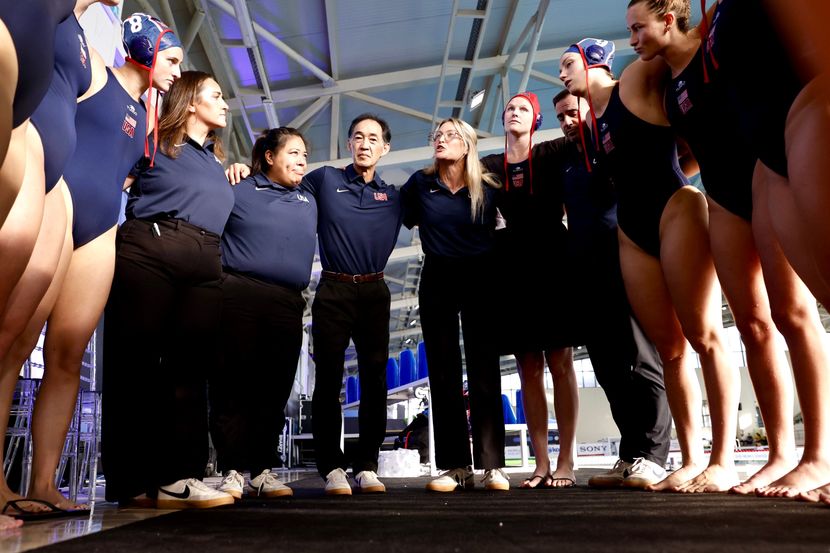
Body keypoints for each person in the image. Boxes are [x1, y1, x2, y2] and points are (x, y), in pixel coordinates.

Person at [624, 0, 817, 495]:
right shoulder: (667, 85)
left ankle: (818, 453)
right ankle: (778, 455)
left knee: (793, 313)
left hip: (765, 174)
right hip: (725, 198)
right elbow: (688, 152)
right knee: (753, 325)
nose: (632, 40)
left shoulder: (717, 35)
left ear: (669, 19)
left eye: (639, 28)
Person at [0, 13, 185, 517]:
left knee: (67, 360)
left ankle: (43, 483)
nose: (174, 71)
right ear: (144, 49)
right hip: (57, 197)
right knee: (13, 343)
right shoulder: (94, 70)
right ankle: (0, 483)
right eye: (170, 59)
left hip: (99, 224)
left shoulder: (150, 119)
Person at [559, 38, 740, 492]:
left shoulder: (633, 80)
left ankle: (724, 460)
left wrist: (685, 175)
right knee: (671, 350)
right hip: (633, 226)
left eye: (567, 65)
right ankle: (691, 459)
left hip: (673, 207)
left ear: (593, 62)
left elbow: (682, 55)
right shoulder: (593, 124)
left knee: (705, 336)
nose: (561, 76)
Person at [701, 0, 830, 499]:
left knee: (800, 312)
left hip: (807, 111)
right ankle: (814, 455)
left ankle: (818, 453)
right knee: (797, 303)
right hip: (768, 155)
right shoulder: (718, 15)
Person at [0, 0, 121, 522]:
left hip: (52, 181)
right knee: (9, 333)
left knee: (28, 339)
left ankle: (38, 481)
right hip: (30, 148)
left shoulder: (74, 32)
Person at [102, 70, 235, 509]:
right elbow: (113, 179)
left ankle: (181, 475)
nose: (225, 103)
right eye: (216, 95)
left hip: (205, 260)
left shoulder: (214, 160)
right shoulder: (154, 140)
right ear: (191, 101)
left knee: (191, 372)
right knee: (137, 364)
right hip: (152, 247)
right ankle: (134, 482)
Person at [551, 89, 673, 489]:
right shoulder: (565, 158)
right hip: (584, 270)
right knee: (606, 368)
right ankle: (630, 454)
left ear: (589, 107)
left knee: (641, 357)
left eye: (572, 112)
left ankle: (655, 456)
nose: (567, 121)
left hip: (625, 260)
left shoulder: (610, 142)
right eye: (561, 116)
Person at [209, 127, 316, 499]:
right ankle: (232, 469)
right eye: (294, 152)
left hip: (288, 302)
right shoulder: (238, 189)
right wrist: (234, 169)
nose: (302, 160)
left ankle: (263, 470)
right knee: (233, 385)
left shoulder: (309, 196)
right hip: (239, 294)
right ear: (269, 156)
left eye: (305, 154)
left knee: (274, 390)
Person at [402, 117, 507, 492]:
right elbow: (395, 216)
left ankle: (493, 465)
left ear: (466, 145)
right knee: (444, 372)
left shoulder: (489, 186)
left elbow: (511, 230)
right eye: (437, 136)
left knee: (484, 368)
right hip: (438, 278)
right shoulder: (420, 184)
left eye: (450, 135)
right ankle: (455, 466)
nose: (441, 140)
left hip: (481, 278)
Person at [480, 92, 578, 489]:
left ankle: (567, 459)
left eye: (522, 109)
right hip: (513, 268)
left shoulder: (553, 151)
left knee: (561, 362)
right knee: (528, 369)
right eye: (509, 109)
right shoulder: (489, 166)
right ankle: (540, 463)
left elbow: (588, 130)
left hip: (554, 260)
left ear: (536, 120)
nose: (514, 113)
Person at [301, 114, 403, 495]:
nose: (365, 143)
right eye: (358, 137)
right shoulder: (325, 180)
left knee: (375, 380)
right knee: (328, 380)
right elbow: (286, 179)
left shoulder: (394, 196)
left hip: (375, 292)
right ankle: (332, 467)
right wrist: (247, 167)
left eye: (373, 138)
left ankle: (367, 464)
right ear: (349, 145)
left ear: (384, 148)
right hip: (333, 289)